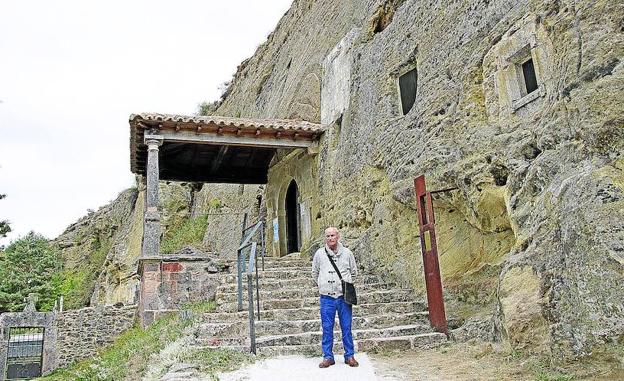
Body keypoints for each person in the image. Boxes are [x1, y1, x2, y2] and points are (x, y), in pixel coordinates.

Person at [312, 226, 359, 368]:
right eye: (328, 236)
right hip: (326, 298)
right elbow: (315, 273)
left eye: (333, 235)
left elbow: (354, 273)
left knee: (346, 327)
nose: (330, 238)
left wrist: (344, 285)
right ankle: (328, 356)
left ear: (338, 236)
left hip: (343, 296)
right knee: (327, 328)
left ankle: (349, 355)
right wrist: (323, 284)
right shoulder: (319, 254)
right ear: (325, 238)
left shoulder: (347, 253)